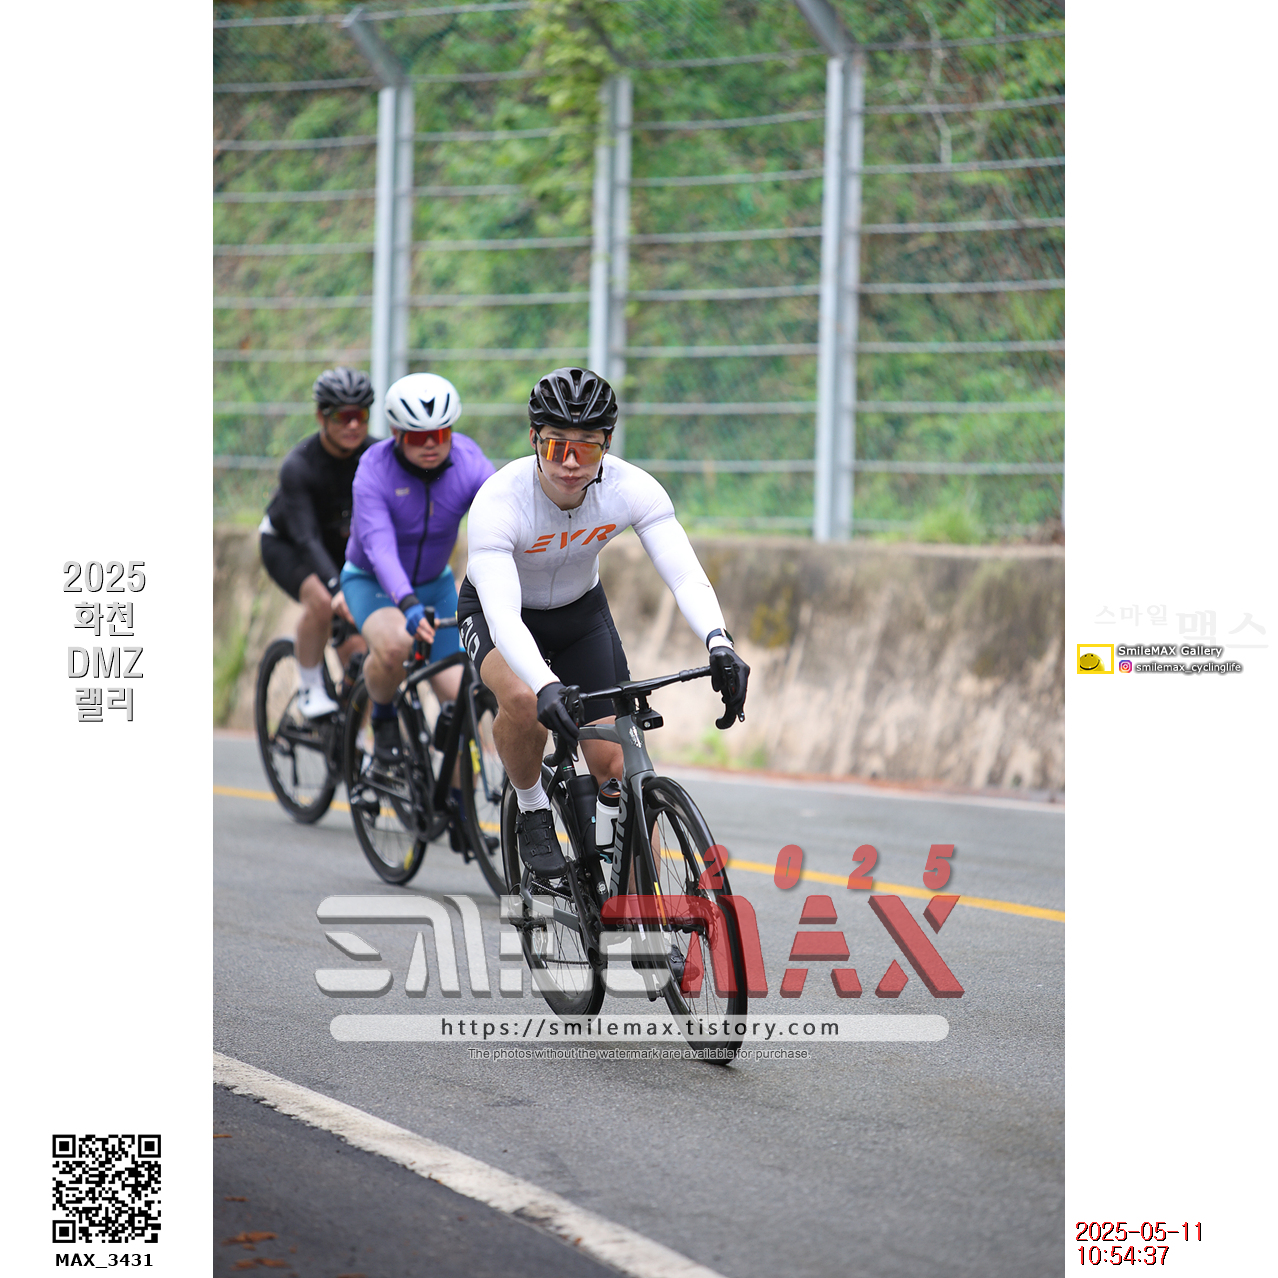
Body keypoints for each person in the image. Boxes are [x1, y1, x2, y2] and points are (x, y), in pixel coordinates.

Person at [460, 366, 750, 878]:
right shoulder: (499, 501)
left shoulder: (630, 488)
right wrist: (545, 683)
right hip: (497, 613)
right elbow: (503, 616)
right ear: (533, 439)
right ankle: (531, 808)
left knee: (616, 766)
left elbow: (684, 575)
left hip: (580, 615)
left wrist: (718, 641)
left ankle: (637, 900)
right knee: (524, 701)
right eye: (556, 446)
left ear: (608, 445)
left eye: (587, 448)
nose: (571, 463)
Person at [341, 371, 495, 772]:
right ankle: (383, 718)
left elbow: (502, 516)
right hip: (372, 582)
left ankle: (457, 804)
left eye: (440, 434)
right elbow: (379, 548)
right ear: (396, 433)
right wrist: (407, 603)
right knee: (395, 646)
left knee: (462, 702)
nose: (430, 444)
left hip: (435, 584)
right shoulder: (373, 469)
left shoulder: (469, 462)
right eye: (417, 436)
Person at [259, 366, 373, 718]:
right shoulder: (299, 465)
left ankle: (353, 741)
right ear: (321, 417)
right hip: (289, 544)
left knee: (363, 658)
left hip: (342, 549)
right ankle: (309, 689)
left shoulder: (377, 455)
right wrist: (337, 588)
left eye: (360, 416)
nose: (352, 425)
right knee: (323, 602)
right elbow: (306, 538)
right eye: (341, 416)